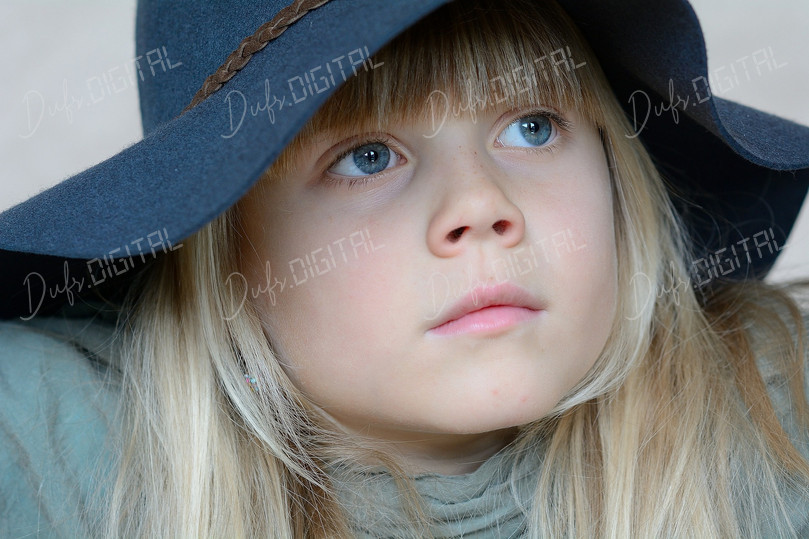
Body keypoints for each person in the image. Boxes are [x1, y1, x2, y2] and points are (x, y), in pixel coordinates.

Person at [1, 0, 808, 536]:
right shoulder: (63, 451)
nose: (480, 204)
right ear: (224, 242)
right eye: (368, 155)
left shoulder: (770, 427)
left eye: (531, 125)